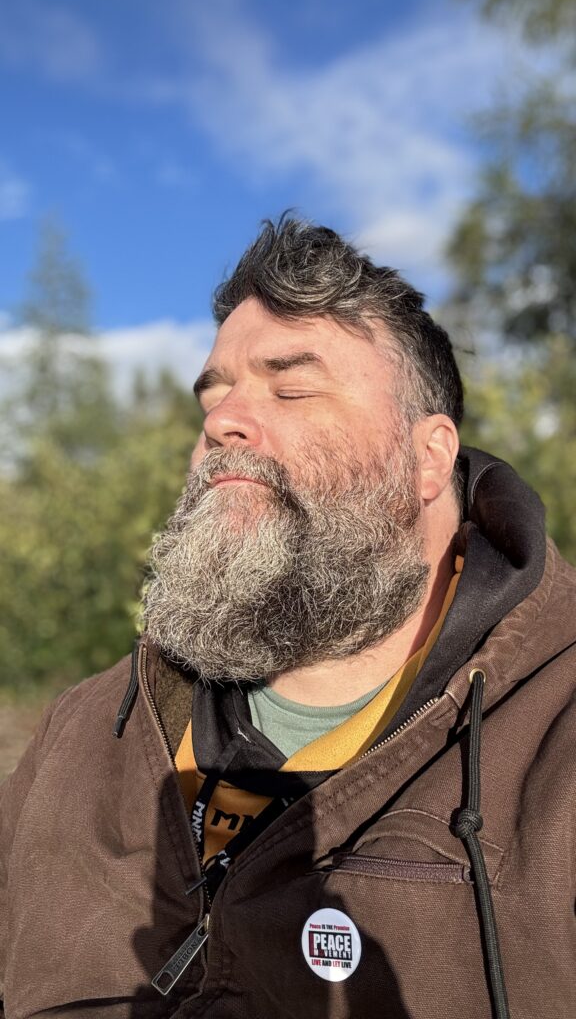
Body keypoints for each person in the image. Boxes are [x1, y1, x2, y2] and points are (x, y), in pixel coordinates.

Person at [1, 217, 575, 1019]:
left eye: (290, 387)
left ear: (430, 457)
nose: (222, 422)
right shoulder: (86, 730)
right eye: (216, 394)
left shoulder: (556, 733)